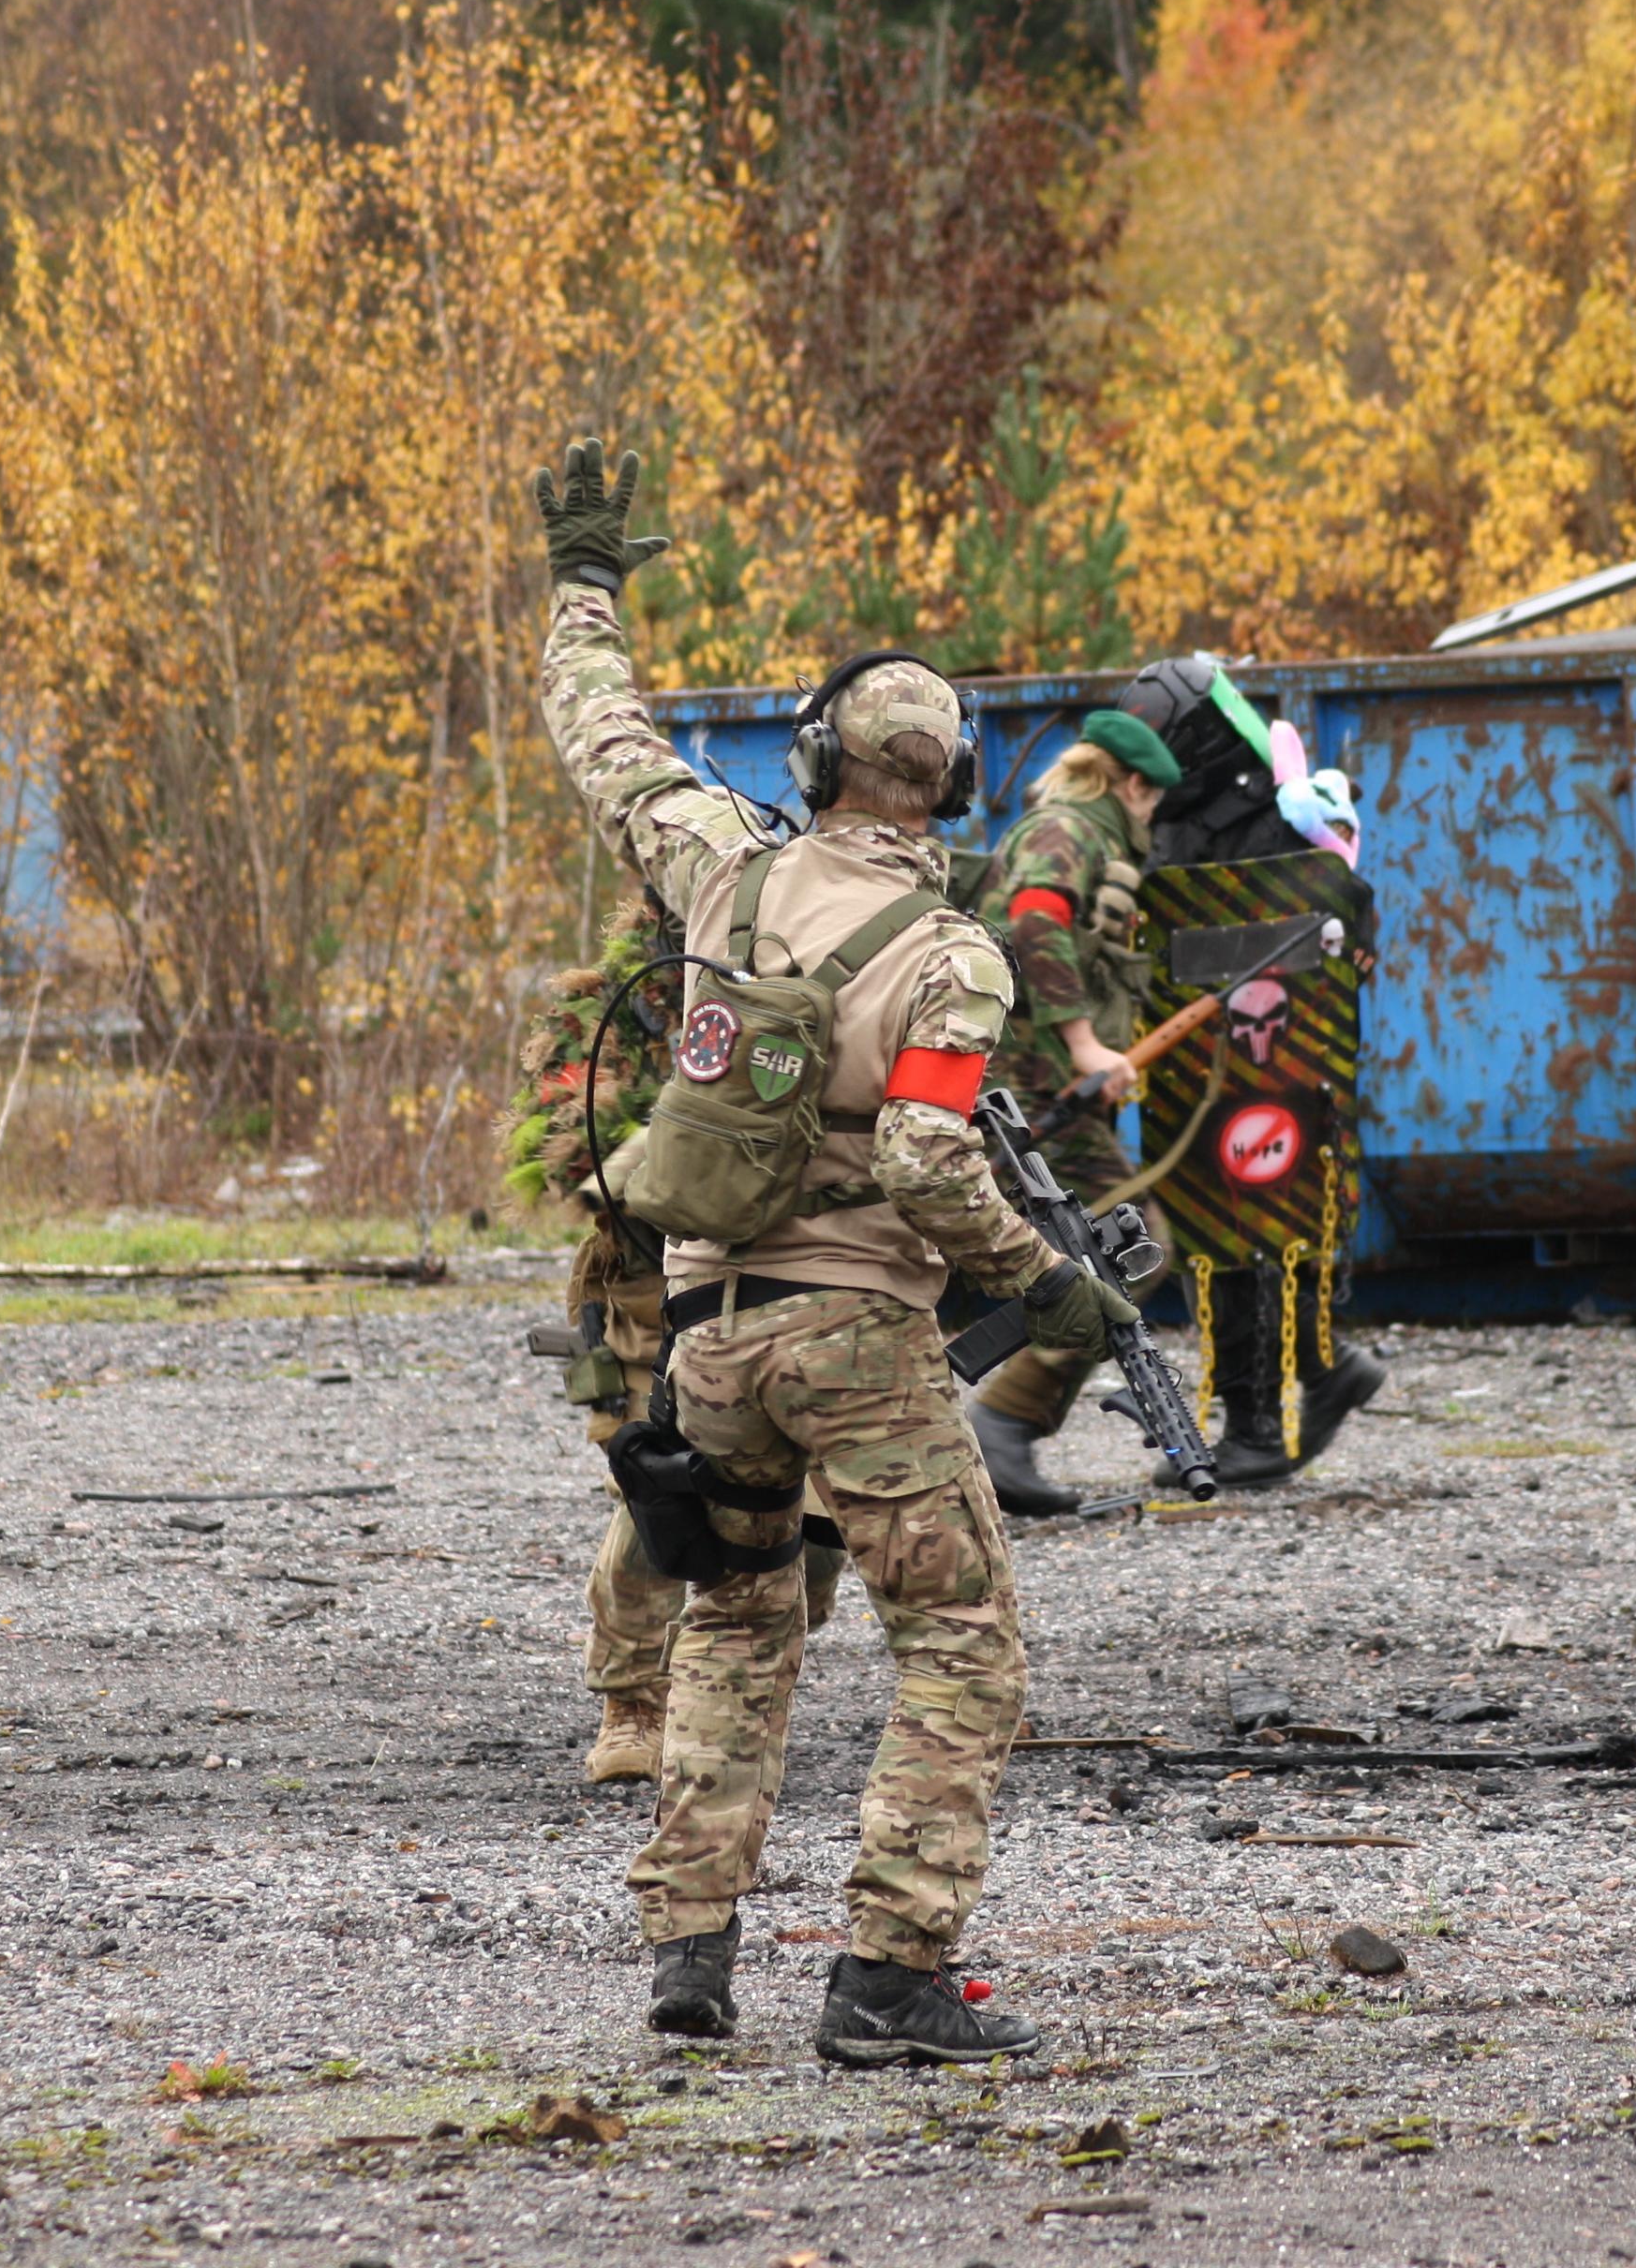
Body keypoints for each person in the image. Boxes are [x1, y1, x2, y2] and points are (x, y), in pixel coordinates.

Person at [529, 437, 1136, 2067]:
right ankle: (889, 1973)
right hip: (859, 1337)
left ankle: (690, 1950)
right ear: (953, 782)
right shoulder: (950, 954)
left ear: (813, 758)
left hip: (707, 1334)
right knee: (959, 1643)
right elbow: (931, 1157)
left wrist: (585, 583)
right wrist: (1044, 1282)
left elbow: (601, 735)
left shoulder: (719, 869)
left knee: (737, 1621)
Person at [501, 890, 843, 1786]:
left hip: (799, 1271)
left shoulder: (820, 970)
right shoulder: (621, 1004)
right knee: (658, 1494)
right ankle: (633, 1702)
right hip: (653, 1285)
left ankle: (729, 1684)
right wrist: (698, 1149)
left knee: (815, 1528)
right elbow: (568, 1147)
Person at [1115, 654, 1388, 1482]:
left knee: (1250, 1239)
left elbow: (1343, 921)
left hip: (1266, 1067)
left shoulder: (1275, 820)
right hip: (1219, 1068)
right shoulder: (1189, 820)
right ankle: (1322, 1373)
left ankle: (1259, 1426)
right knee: (1238, 1234)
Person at [961, 710, 1181, 1518]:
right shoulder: (1069, 832)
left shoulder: (1072, 830)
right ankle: (1001, 1423)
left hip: (1034, 1086)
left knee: (1097, 1250)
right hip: (1024, 1088)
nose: (1152, 817)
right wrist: (1086, 1045)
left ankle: (1001, 1428)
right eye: (1153, 800)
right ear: (1133, 785)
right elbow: (1035, 920)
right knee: (1130, 1247)